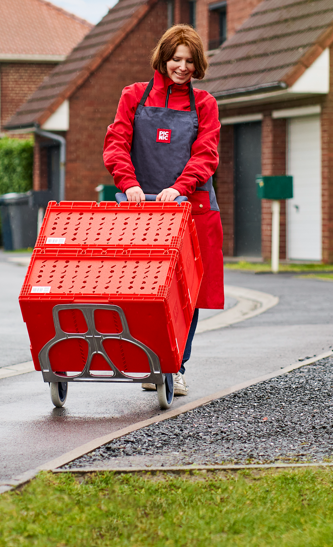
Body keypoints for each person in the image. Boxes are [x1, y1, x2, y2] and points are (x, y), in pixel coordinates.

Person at [103, 24, 223, 397]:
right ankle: (147, 361)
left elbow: (206, 155)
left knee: (185, 294)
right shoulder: (134, 97)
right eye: (176, 59)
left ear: (197, 63)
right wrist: (130, 184)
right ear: (164, 59)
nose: (182, 67)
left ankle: (177, 366)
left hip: (189, 208)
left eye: (189, 61)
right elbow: (116, 144)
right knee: (140, 290)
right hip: (140, 211)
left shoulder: (204, 105)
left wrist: (178, 188)